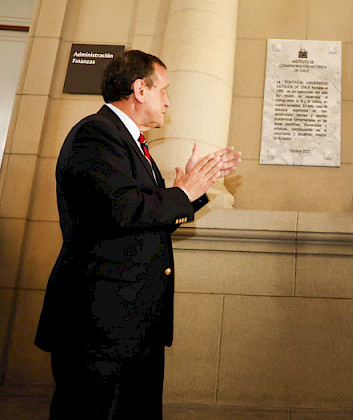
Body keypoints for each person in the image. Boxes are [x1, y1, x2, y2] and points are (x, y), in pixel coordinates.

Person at [34, 49, 241, 420]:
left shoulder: (130, 142)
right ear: (139, 90)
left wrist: (196, 189)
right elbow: (123, 209)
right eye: (163, 90)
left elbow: (143, 216)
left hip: (132, 324)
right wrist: (183, 193)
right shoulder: (95, 134)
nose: (168, 101)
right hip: (100, 325)